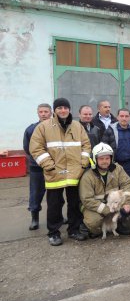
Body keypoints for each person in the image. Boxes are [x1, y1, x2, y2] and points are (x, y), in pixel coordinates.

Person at [30, 98, 91, 246]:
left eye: (65, 108)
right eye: (59, 108)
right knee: (54, 205)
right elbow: (36, 148)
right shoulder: (43, 127)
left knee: (74, 204)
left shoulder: (77, 126)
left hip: (75, 173)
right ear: (54, 110)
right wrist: (48, 165)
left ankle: (74, 230)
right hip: (54, 173)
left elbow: (86, 145)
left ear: (69, 109)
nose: (63, 110)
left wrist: (83, 164)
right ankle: (54, 233)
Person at [79, 143, 130, 238]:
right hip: (95, 206)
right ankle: (91, 227)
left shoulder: (118, 169)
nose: (105, 161)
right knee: (94, 222)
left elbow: (127, 184)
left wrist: (126, 203)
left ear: (111, 159)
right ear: (95, 159)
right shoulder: (88, 176)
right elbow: (87, 200)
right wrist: (107, 209)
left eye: (107, 158)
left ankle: (119, 224)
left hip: (113, 204)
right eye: (101, 158)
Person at [23, 103, 52, 230]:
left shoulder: (55, 128)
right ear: (38, 113)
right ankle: (35, 219)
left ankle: (57, 217)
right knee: (35, 193)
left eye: (46, 111)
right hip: (37, 167)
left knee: (55, 194)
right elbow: (27, 148)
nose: (44, 114)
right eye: (41, 112)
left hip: (54, 167)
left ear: (51, 113)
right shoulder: (30, 129)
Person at [102, 108, 130, 188]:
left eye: (126, 116)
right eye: (121, 116)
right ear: (117, 117)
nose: (124, 118)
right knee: (116, 188)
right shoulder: (110, 130)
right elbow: (104, 147)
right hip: (116, 164)